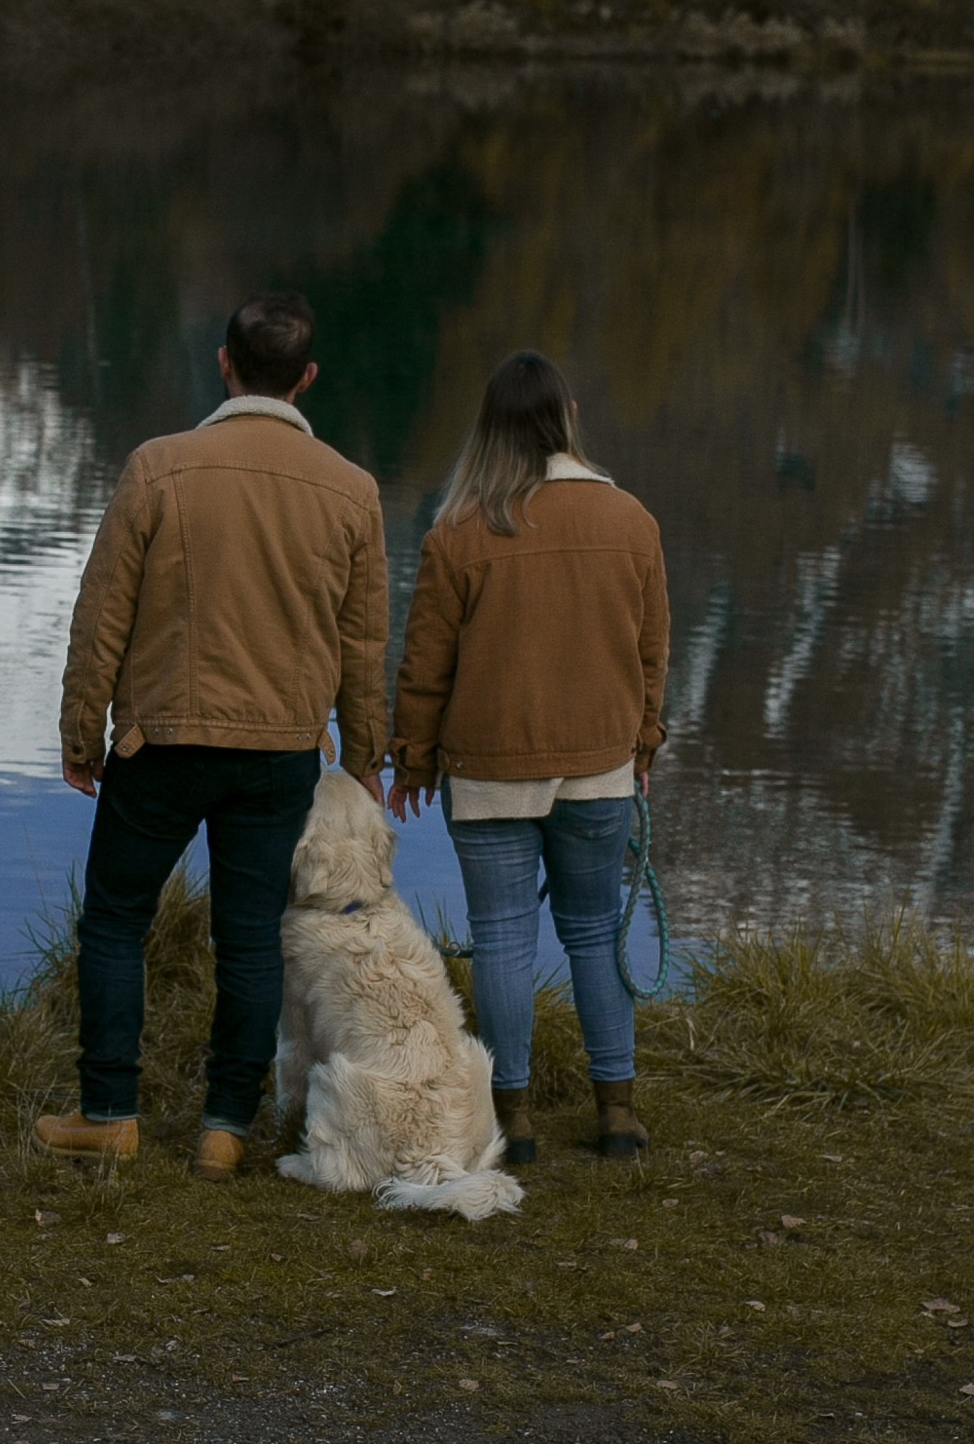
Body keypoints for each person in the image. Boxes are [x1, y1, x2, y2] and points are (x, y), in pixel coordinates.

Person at [38, 291, 388, 1183]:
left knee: (115, 921)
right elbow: (362, 644)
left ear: (225, 364)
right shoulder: (351, 491)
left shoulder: (159, 468)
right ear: (307, 379)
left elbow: (102, 613)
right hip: (279, 753)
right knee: (250, 939)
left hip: (162, 743)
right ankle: (225, 1130)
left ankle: (109, 1115)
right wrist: (364, 760)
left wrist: (82, 731)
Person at [390, 349, 668, 1164]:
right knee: (595, 932)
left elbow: (426, 663)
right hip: (600, 764)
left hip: (488, 771)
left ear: (490, 431)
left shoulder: (459, 531)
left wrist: (412, 761)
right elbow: (652, 654)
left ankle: (512, 1120)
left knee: (503, 938)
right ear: (570, 417)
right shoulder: (632, 521)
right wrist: (645, 743)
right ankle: (617, 1113)